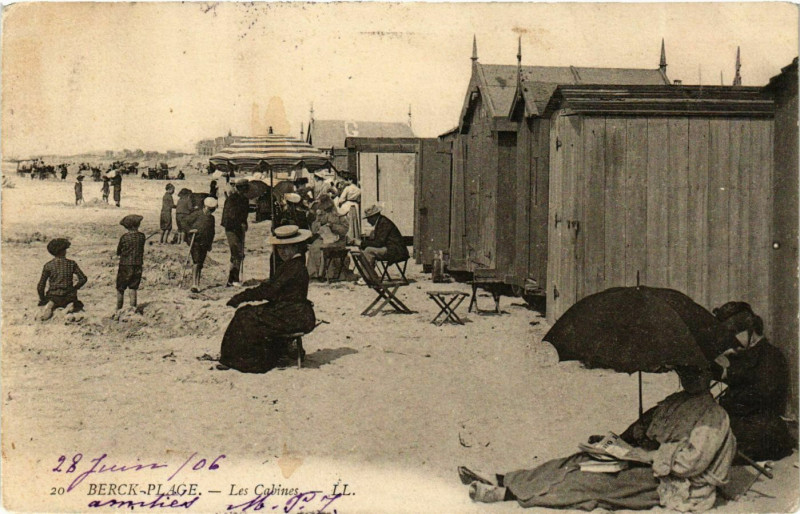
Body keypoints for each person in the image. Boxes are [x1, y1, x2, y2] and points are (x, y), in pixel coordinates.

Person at [459, 366, 736, 512]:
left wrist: (647, 456)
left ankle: (504, 494)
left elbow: (690, 463)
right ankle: (503, 477)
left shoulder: (714, 416)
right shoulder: (677, 402)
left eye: (696, 373)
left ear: (710, 377)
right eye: (685, 372)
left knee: (591, 481)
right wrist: (616, 442)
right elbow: (642, 430)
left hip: (674, 482)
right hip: (643, 461)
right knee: (578, 460)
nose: (689, 378)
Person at [218, 225, 316, 373]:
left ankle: (244, 360)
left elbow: (269, 290)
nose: (282, 252)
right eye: (279, 248)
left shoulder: (294, 266)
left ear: (296, 247)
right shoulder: (293, 264)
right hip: (292, 311)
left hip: (292, 314)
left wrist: (242, 296)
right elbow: (275, 289)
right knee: (247, 313)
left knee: (245, 316)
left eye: (286, 248)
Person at [711, 301, 795, 462]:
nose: (730, 342)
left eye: (733, 334)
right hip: (743, 423)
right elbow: (728, 373)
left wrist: (724, 402)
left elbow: (762, 396)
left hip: (761, 429)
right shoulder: (744, 354)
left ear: (750, 330)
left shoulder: (771, 356)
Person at [37, 238, 88, 321]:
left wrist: (42, 299)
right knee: (75, 304)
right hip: (69, 295)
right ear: (64, 251)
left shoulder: (48, 265)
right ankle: (69, 309)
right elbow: (83, 279)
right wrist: (74, 288)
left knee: (50, 304)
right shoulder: (72, 264)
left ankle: (49, 308)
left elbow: (41, 286)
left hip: (54, 296)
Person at [306, 195, 349, 280]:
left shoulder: (339, 215)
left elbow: (345, 229)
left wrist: (333, 226)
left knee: (326, 248)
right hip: (323, 238)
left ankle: (328, 274)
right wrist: (319, 223)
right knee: (314, 247)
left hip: (337, 239)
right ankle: (315, 273)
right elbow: (314, 230)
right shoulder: (320, 215)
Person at [221, 178, 250, 287]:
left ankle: (234, 278)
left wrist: (245, 223)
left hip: (239, 228)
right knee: (236, 252)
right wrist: (240, 223)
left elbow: (244, 215)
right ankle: (232, 279)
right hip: (231, 228)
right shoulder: (232, 199)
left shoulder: (245, 200)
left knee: (240, 253)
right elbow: (230, 216)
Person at [185, 197, 217, 293]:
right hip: (195, 241)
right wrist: (190, 230)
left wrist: (210, 243)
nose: (210, 212)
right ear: (205, 207)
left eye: (213, 210)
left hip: (205, 243)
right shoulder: (196, 214)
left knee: (200, 263)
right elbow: (184, 222)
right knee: (196, 261)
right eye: (210, 209)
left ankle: (198, 283)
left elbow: (212, 232)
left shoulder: (212, 218)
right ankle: (194, 284)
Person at [115, 214, 146, 314]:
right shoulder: (142, 236)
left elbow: (119, 251)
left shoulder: (124, 237)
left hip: (125, 265)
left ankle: (118, 309)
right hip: (137, 265)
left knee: (120, 288)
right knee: (133, 288)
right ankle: (133, 309)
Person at [335, 179, 361, 243]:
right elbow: (359, 199)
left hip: (347, 205)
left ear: (351, 181)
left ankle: (348, 239)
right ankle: (355, 238)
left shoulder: (348, 188)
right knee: (355, 222)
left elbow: (342, 198)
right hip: (355, 205)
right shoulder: (359, 189)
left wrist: (339, 203)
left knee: (347, 222)